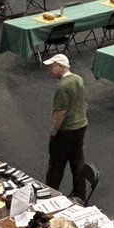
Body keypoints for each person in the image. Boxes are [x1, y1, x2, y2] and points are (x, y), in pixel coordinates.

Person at [45, 54, 88, 202]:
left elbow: (60, 112)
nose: (50, 70)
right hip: (81, 126)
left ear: (59, 66)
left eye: (52, 67)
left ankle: (50, 194)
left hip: (66, 130)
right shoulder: (78, 79)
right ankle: (80, 195)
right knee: (77, 161)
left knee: (56, 164)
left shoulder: (63, 86)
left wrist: (54, 130)